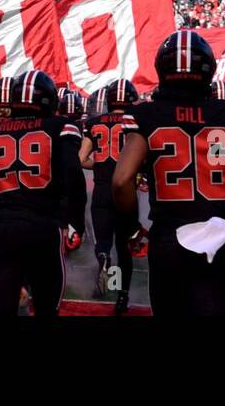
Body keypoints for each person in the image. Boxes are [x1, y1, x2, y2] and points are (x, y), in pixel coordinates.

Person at [113, 31, 225, 316]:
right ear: (208, 70)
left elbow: (121, 180)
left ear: (162, 68)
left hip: (166, 237)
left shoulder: (146, 115)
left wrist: (131, 228)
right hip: (215, 237)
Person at [0, 71, 87, 317]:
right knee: (46, 309)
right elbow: (73, 177)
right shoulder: (61, 126)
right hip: (44, 226)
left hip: (4, 226)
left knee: (2, 310)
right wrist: (75, 222)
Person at [80, 78, 146, 315]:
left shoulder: (94, 122)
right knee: (124, 246)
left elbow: (81, 158)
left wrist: (99, 165)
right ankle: (121, 297)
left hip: (102, 188)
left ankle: (103, 258)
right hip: (125, 188)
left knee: (104, 242)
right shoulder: (135, 121)